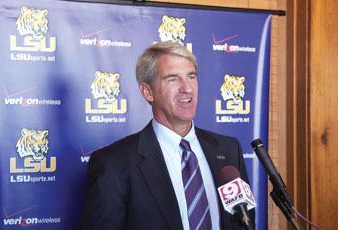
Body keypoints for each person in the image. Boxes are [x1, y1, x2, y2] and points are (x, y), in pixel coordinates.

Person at [81, 41, 255, 230]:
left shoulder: (228, 149)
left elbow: (244, 223)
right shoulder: (114, 163)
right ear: (148, 92)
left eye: (191, 76)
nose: (187, 88)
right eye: (173, 79)